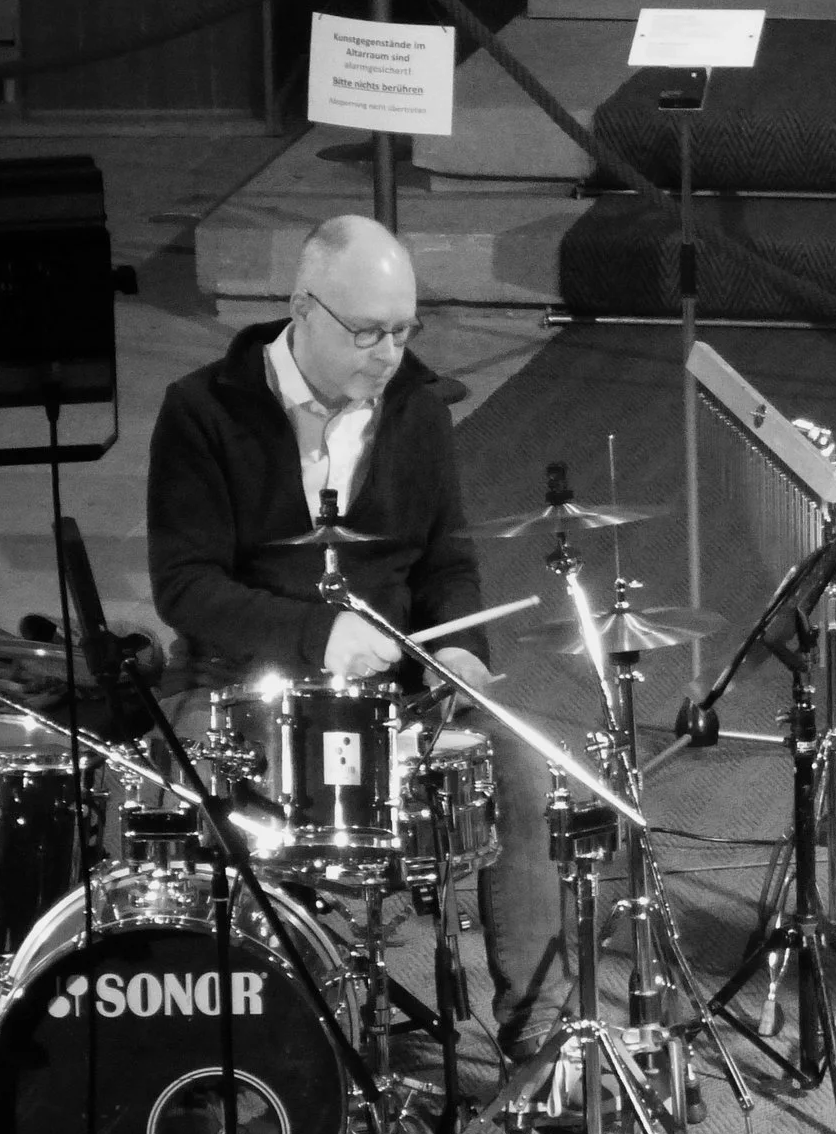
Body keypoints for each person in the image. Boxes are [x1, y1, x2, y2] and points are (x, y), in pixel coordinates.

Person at [148, 213, 566, 1070]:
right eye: (368, 331)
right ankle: (241, 1032)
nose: (389, 353)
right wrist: (316, 633)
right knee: (187, 790)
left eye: (404, 330)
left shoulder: (414, 407)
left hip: (391, 693)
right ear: (303, 309)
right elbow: (186, 585)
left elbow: (447, 562)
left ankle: (543, 1036)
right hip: (238, 684)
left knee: (522, 766)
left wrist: (460, 652)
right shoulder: (201, 409)